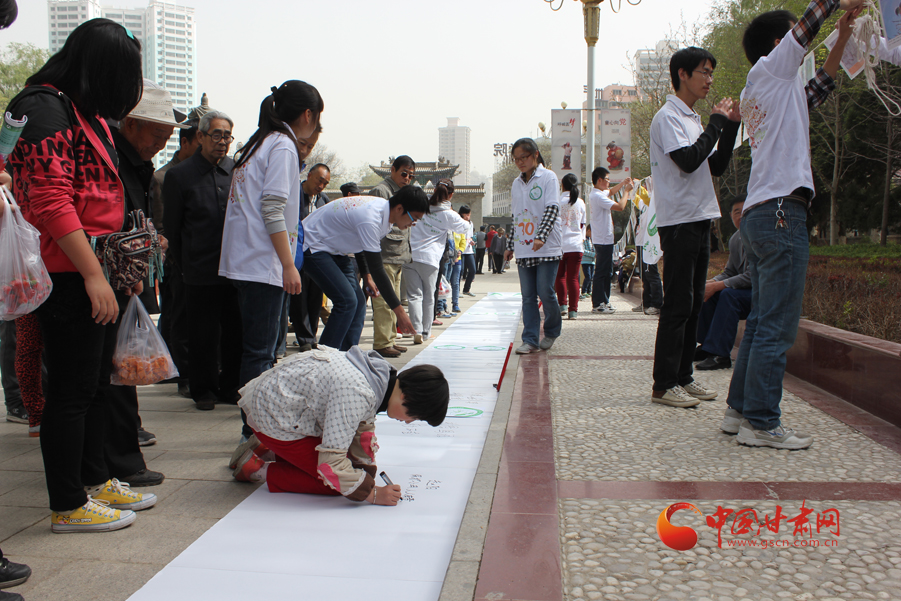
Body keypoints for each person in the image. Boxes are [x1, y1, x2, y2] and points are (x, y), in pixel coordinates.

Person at [6, 18, 155, 532]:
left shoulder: (81, 111)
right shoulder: (43, 107)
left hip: (95, 267)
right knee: (70, 390)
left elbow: (105, 198)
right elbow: (51, 200)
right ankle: (68, 504)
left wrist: (120, 269)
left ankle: (94, 480)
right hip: (67, 272)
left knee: (94, 386)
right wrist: (93, 276)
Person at [725, 0, 862, 449]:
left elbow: (821, 84)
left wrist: (843, 36)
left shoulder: (772, 91)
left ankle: (739, 411)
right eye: (790, 37)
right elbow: (808, 24)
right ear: (778, 44)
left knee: (762, 319)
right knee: (778, 324)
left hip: (765, 212)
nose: (798, 44)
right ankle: (762, 423)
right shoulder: (769, 69)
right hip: (782, 211)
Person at [220, 80, 323, 444]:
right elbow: (272, 208)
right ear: (308, 115)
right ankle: (255, 434)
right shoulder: (282, 145)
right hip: (263, 263)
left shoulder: (258, 143)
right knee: (261, 355)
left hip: (246, 260)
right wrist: (288, 264)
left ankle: (255, 430)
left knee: (255, 351)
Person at [232, 346, 449, 505]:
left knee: (348, 469)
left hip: (280, 405)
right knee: (332, 483)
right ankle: (256, 469)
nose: (409, 422)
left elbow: (362, 427)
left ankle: (270, 449)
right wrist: (371, 493)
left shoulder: (380, 374)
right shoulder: (357, 392)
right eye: (415, 416)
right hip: (273, 417)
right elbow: (331, 467)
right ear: (406, 396)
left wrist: (365, 470)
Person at [648, 46, 741, 409]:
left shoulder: (692, 119)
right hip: (679, 220)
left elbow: (714, 165)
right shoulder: (667, 117)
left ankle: (683, 377)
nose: (709, 80)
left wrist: (730, 125)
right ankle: (663, 384)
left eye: (711, 73)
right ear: (683, 74)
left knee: (693, 303)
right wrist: (716, 123)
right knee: (677, 304)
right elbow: (687, 160)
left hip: (700, 217)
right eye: (704, 72)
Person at [108, 79, 188, 485]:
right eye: (157, 135)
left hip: (125, 277)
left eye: (166, 137)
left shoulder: (138, 164)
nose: (160, 145)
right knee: (107, 378)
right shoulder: (110, 158)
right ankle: (113, 465)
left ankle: (122, 459)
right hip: (102, 279)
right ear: (131, 124)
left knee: (121, 372)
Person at [164, 110, 241, 411]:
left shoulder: (237, 171)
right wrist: (184, 265)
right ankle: (204, 389)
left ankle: (230, 386)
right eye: (217, 135)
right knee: (202, 334)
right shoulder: (180, 175)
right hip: (199, 267)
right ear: (201, 136)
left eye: (227, 136)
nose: (222, 142)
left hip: (235, 267)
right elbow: (173, 227)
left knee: (234, 331)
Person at [301, 187, 426, 352]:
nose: (413, 223)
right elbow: (378, 269)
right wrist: (400, 312)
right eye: (414, 218)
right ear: (399, 208)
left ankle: (348, 354)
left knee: (359, 302)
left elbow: (362, 245)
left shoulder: (385, 215)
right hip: (313, 245)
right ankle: (323, 358)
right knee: (346, 301)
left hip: (337, 250)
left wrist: (366, 276)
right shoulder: (371, 218)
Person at [153, 118, 200, 399]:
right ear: (185, 143)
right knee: (174, 315)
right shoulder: (163, 176)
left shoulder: (204, 174)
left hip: (197, 258)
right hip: (173, 258)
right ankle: (179, 372)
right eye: (199, 141)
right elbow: (161, 223)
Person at [504, 138, 562, 354]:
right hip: (524, 247)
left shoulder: (548, 177)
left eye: (524, 157)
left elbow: (552, 208)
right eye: (516, 159)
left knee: (545, 291)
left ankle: (552, 330)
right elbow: (516, 216)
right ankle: (530, 339)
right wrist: (510, 244)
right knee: (528, 296)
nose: (520, 162)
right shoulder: (516, 183)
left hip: (547, 247)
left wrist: (541, 236)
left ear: (535, 155)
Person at [404, 179, 469, 344]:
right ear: (451, 195)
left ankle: (416, 330)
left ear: (433, 190)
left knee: (414, 296)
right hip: (430, 258)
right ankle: (426, 331)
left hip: (410, 255)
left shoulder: (421, 205)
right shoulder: (448, 214)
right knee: (429, 295)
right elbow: (465, 227)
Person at [695, 197, 751, 371]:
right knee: (708, 293)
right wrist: (710, 283)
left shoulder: (759, 236)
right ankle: (706, 347)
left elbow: (754, 276)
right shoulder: (735, 239)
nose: (741, 216)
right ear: (731, 216)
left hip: (761, 292)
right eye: (736, 212)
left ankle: (720, 354)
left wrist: (719, 285)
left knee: (728, 295)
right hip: (743, 291)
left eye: (745, 211)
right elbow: (730, 272)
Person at [368, 156, 415, 357]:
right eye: (404, 173)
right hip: (384, 253)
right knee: (384, 302)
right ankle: (382, 343)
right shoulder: (381, 191)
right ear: (392, 170)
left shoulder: (403, 193)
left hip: (398, 254)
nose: (407, 178)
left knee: (394, 300)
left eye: (411, 176)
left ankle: (390, 339)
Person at [290, 162, 331, 352]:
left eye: (325, 183)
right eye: (319, 181)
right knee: (300, 298)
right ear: (309, 176)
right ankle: (304, 337)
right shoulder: (294, 195)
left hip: (317, 255)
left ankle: (312, 335)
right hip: (298, 253)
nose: (321, 186)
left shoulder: (323, 200)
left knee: (315, 298)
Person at [589, 167, 634, 314]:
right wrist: (626, 191)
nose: (609, 182)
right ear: (599, 180)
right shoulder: (598, 196)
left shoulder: (600, 192)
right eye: (607, 179)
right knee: (601, 272)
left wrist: (622, 183)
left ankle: (605, 300)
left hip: (605, 239)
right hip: (602, 240)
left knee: (607, 271)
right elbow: (620, 207)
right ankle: (598, 303)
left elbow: (611, 191)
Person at [555, 173, 586, 320]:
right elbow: (582, 224)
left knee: (560, 276)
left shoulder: (557, 201)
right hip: (576, 244)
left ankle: (562, 305)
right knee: (573, 278)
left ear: (562, 185)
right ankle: (573, 311)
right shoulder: (580, 202)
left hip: (559, 244)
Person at [459, 206, 477, 297]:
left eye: (469, 214)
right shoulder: (458, 222)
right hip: (460, 250)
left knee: (473, 270)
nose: (468, 216)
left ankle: (466, 289)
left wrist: (471, 241)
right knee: (460, 271)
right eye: (466, 214)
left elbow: (470, 236)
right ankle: (456, 291)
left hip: (469, 250)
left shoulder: (470, 223)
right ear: (462, 214)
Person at [580, 225, 595, 299]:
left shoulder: (591, 240)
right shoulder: (583, 239)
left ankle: (589, 290)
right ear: (588, 231)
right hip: (585, 261)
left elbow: (593, 249)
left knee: (591, 277)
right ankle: (584, 291)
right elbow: (583, 251)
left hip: (592, 261)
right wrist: (593, 254)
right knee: (588, 276)